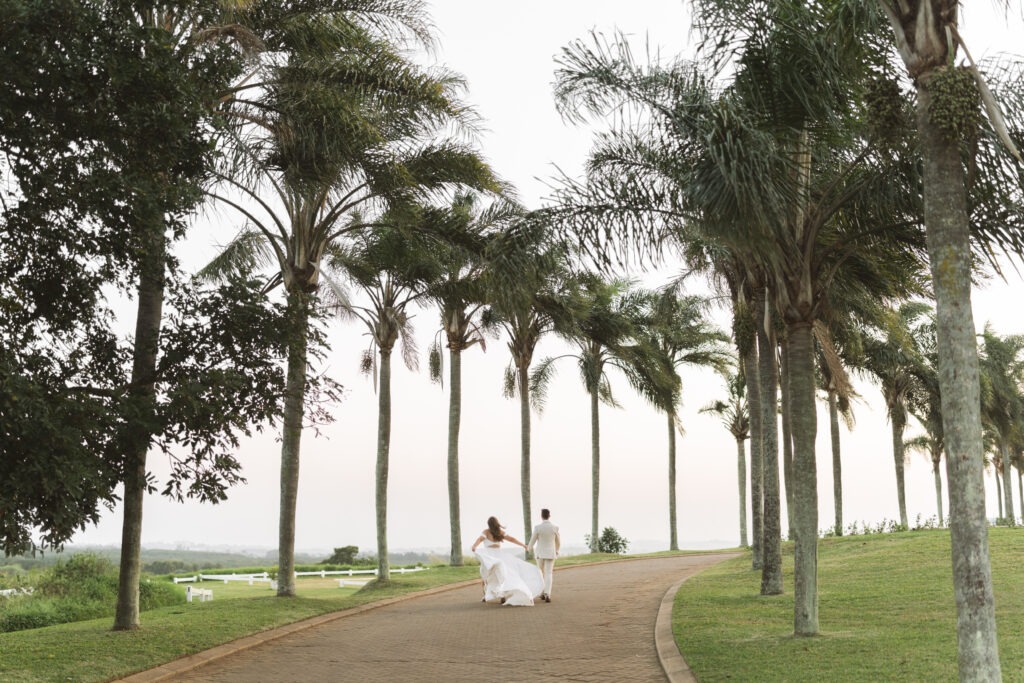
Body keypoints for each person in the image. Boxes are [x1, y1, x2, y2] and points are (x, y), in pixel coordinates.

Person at [471, 516, 543, 606]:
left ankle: (490, 595)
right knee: (500, 575)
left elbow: (480, 539)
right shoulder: (499, 532)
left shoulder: (486, 532)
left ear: (489, 524)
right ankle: (499, 596)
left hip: (490, 557)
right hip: (498, 556)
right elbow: (512, 539)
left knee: (486, 576)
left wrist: (474, 546)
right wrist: (523, 545)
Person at [527, 508, 561, 603]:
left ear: (541, 516)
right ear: (549, 516)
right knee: (548, 573)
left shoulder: (538, 527)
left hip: (540, 554)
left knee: (540, 573)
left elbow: (532, 540)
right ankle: (547, 594)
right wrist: (557, 551)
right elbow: (558, 542)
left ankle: (542, 592)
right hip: (551, 553)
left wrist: (528, 548)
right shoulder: (555, 527)